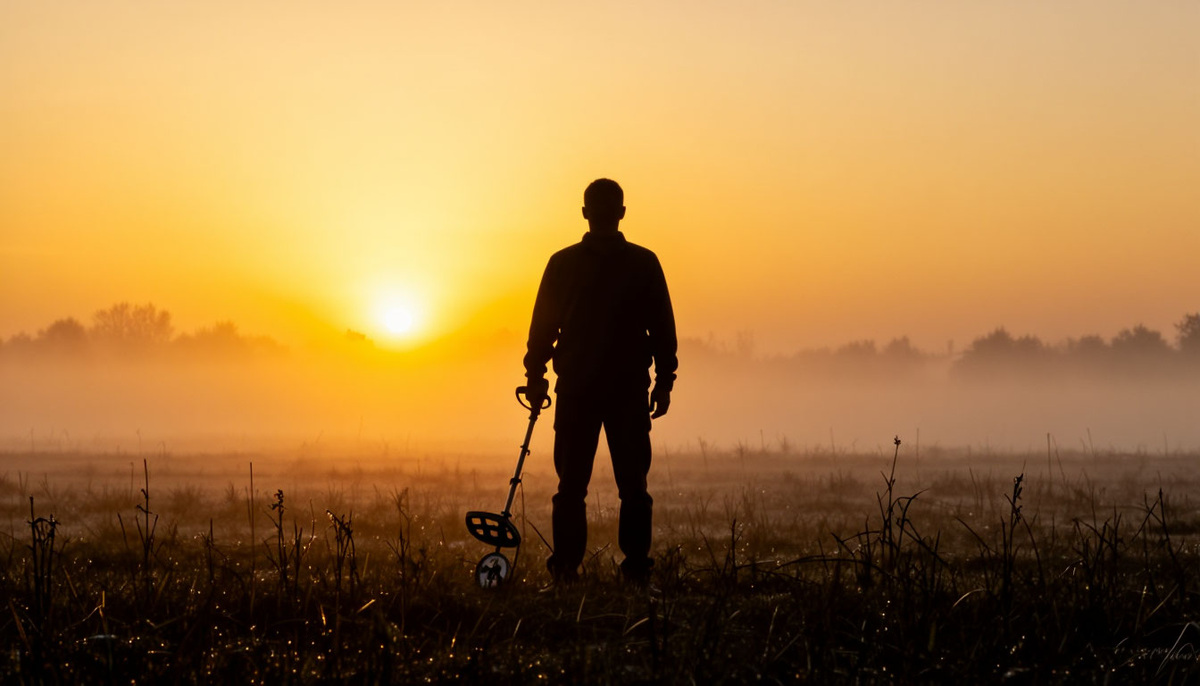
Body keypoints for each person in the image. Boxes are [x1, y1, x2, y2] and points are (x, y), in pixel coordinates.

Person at [523, 178, 678, 585]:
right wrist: (664, 381)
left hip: (577, 389)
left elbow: (542, 330)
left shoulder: (562, 264)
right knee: (633, 486)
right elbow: (663, 329)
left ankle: (566, 572)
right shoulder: (644, 263)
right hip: (626, 390)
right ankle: (636, 572)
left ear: (585, 212)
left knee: (571, 487)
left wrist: (536, 376)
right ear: (622, 212)